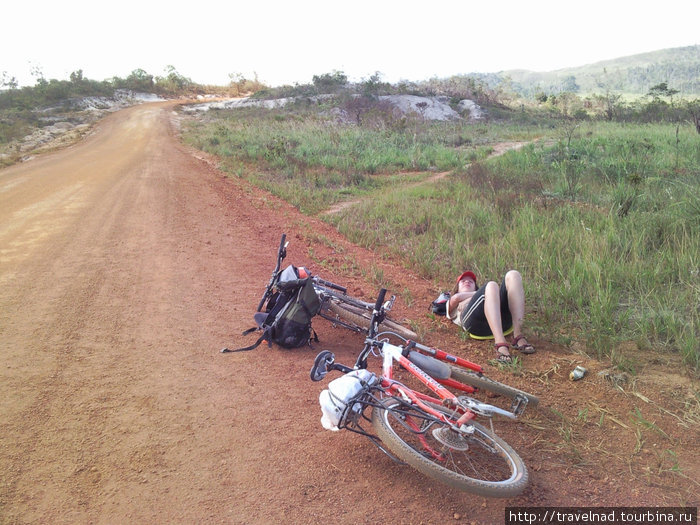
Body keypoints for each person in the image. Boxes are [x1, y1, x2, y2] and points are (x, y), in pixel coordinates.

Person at [446, 269, 535, 362]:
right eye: (463, 281)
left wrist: (490, 293)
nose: (467, 281)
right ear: (457, 288)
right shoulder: (452, 299)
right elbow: (456, 298)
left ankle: (517, 335)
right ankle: (500, 343)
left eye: (471, 281)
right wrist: (476, 293)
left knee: (513, 275)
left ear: (476, 287)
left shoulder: (485, 293)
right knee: (492, 285)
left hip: (502, 321)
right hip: (476, 325)